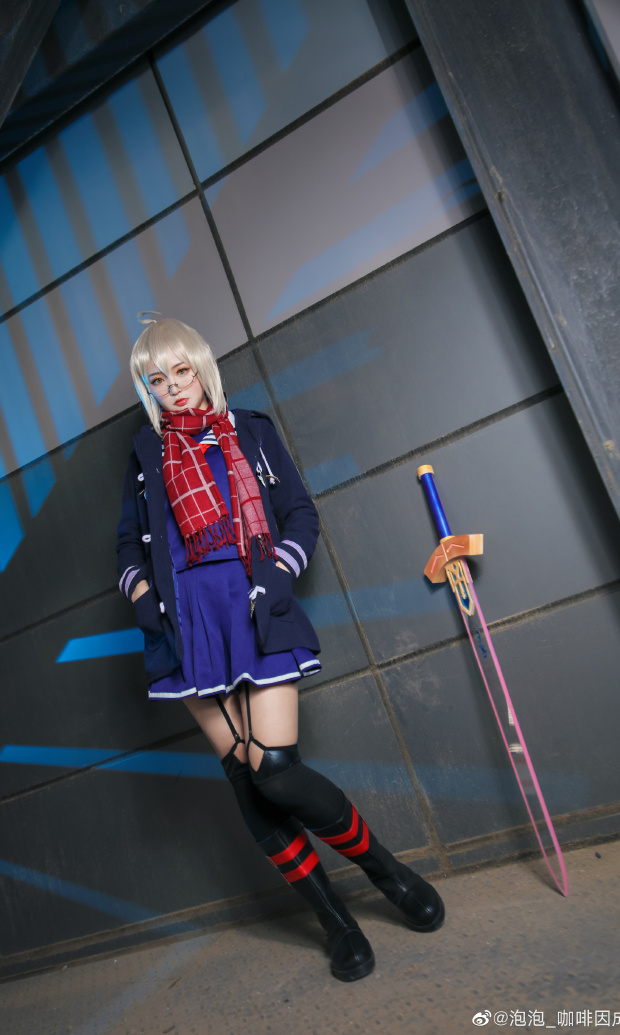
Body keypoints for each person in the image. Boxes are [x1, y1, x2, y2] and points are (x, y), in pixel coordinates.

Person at [116, 315, 444, 982]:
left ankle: (388, 873)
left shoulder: (250, 430)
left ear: (201, 366)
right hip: (187, 624)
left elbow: (300, 512)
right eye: (156, 379)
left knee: (275, 768)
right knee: (245, 777)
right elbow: (128, 542)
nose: (172, 386)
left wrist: (276, 576)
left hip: (254, 608)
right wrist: (144, 598)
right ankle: (336, 922)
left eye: (180, 370)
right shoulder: (145, 451)